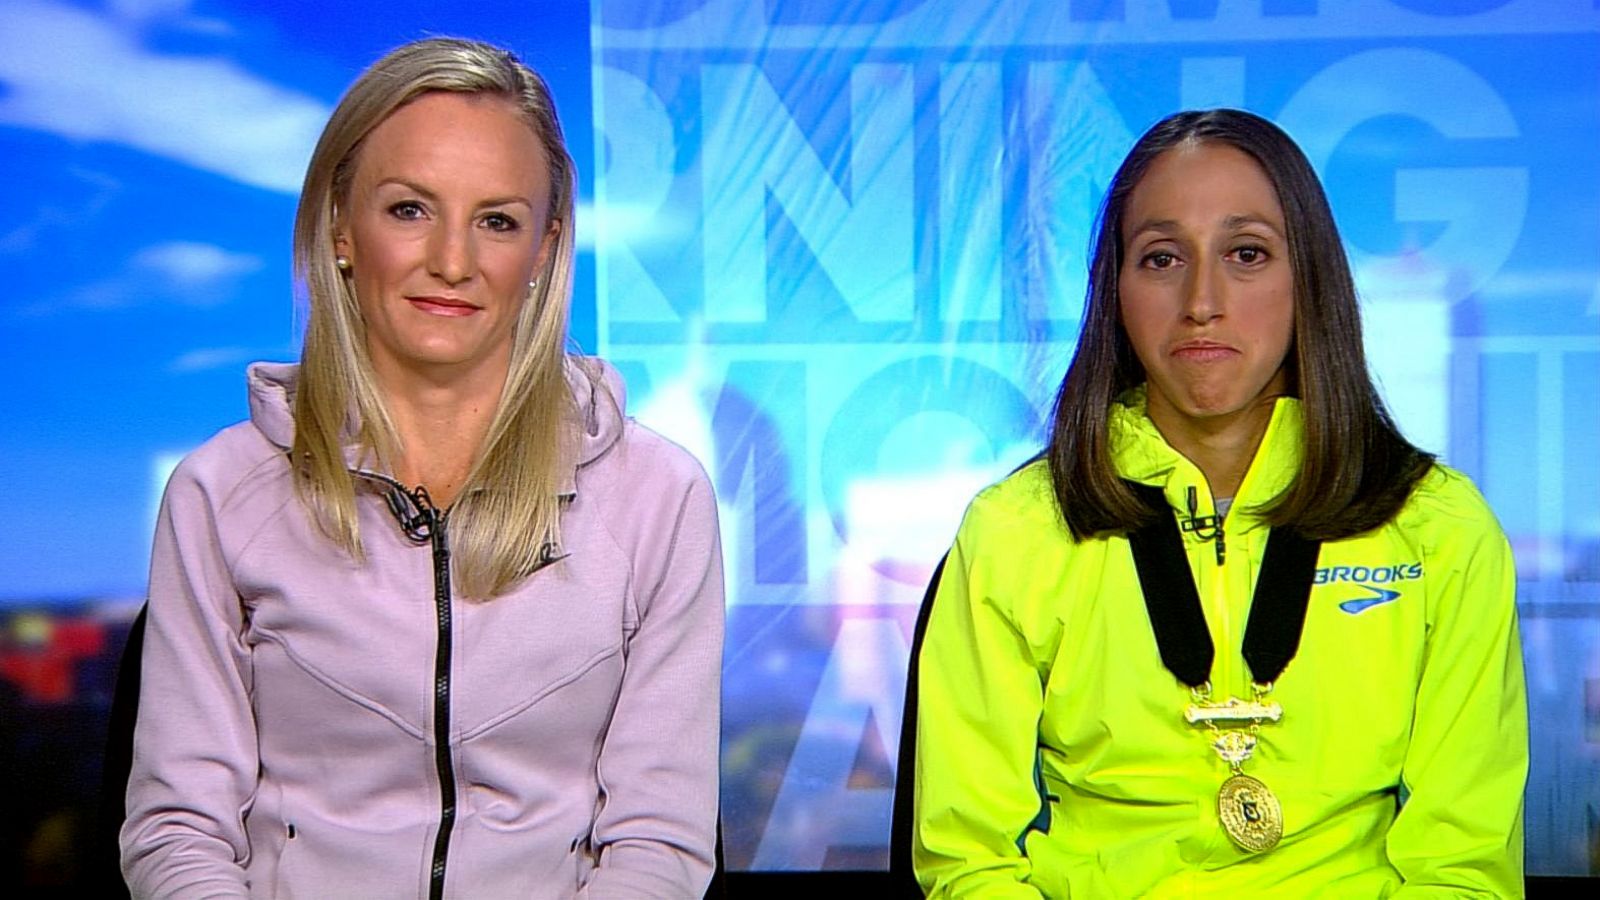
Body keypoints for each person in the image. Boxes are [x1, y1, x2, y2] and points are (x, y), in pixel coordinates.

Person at [119, 38, 724, 899]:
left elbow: (658, 841)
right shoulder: (220, 494)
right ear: (339, 227)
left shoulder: (658, 499)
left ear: (545, 250)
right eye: (409, 209)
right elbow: (179, 832)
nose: (452, 260)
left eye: (497, 220)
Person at [908, 109, 1526, 896]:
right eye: (1162, 258)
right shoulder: (1016, 529)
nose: (1203, 300)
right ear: (1115, 291)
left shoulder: (1439, 526)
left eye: (1246, 254)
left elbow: (1464, 868)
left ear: (1311, 279)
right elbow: (970, 863)